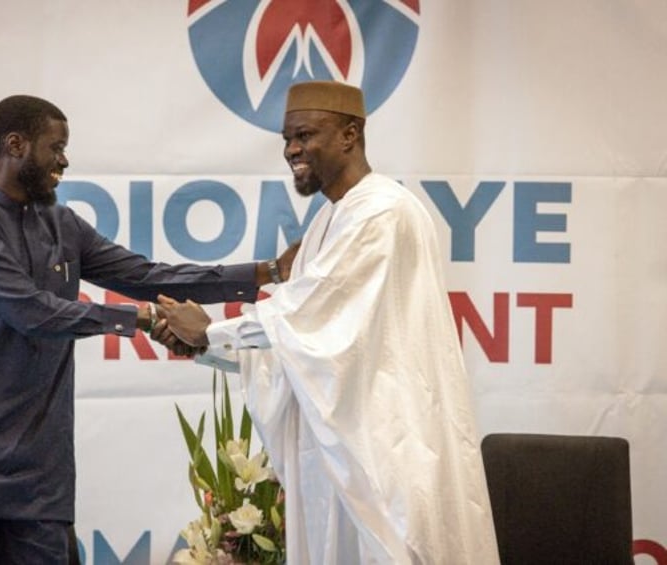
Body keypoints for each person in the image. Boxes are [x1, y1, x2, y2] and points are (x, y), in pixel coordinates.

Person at [0, 94, 296, 564]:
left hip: (38, 479)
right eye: (57, 146)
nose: (65, 160)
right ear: (15, 145)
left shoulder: (62, 224)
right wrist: (142, 318)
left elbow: (147, 276)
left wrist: (265, 272)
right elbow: (32, 311)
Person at [159, 81, 500, 564]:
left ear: (349, 134)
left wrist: (210, 331)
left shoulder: (381, 211)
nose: (292, 150)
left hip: (385, 450)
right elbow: (299, 346)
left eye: (305, 135)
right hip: (341, 455)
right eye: (287, 138)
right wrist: (202, 347)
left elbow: (304, 316)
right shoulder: (329, 219)